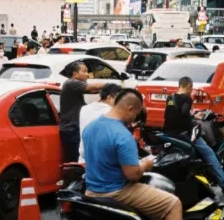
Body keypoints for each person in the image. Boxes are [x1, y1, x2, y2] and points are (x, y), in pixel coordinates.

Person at [82, 89, 183, 220]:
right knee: (173, 204)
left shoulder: (90, 127)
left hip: (91, 190)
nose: (135, 118)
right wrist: (145, 165)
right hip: (116, 191)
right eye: (136, 113)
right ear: (130, 109)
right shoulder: (123, 135)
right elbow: (133, 175)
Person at [162, 77, 224, 194]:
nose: (191, 91)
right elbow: (184, 115)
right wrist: (195, 119)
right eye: (191, 88)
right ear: (189, 86)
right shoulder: (187, 98)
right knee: (209, 153)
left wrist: (193, 116)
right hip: (185, 134)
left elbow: (174, 115)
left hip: (170, 133)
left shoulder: (170, 97)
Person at [60, 62, 104, 163]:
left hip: (74, 129)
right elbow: (93, 86)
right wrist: (111, 85)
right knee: (74, 161)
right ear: (75, 74)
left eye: (87, 71)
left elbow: (94, 90)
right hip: (71, 130)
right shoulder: (71, 83)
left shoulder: (75, 87)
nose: (87, 74)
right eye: (84, 71)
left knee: (77, 158)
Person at [78, 83, 123, 163]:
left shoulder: (84, 109)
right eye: (119, 100)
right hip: (103, 163)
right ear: (109, 98)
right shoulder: (112, 113)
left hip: (83, 159)